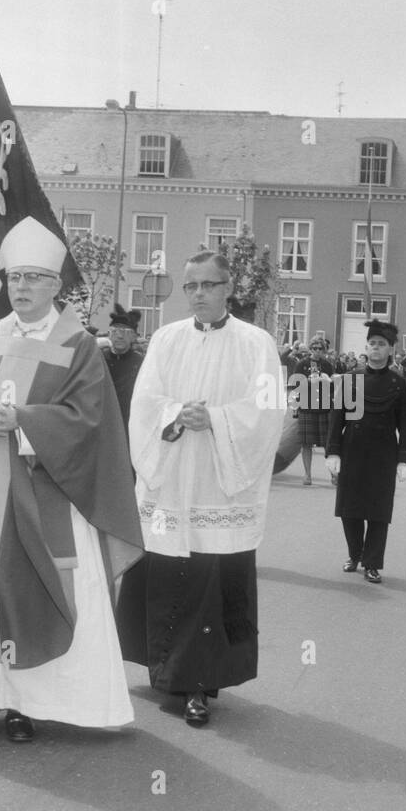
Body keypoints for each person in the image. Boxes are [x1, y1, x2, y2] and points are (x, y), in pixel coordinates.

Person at [0, 218, 143, 742]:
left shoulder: (80, 345)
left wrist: (23, 421)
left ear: (55, 287)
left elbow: (89, 421)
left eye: (34, 279)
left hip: (47, 492)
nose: (21, 288)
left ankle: (27, 704)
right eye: (15, 277)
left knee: (28, 591)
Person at [115, 250, 284, 728]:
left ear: (228, 288)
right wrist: (174, 415)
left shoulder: (257, 343)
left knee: (210, 581)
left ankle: (199, 684)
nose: (198, 295)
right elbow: (145, 402)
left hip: (219, 484)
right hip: (172, 480)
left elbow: (269, 410)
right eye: (190, 287)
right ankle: (165, 670)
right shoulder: (167, 339)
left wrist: (217, 419)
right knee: (167, 574)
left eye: (207, 285)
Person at [325, 319, 406, 583]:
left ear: (390, 350)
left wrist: (404, 461)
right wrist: (333, 452)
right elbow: (337, 419)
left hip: (384, 455)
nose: (376, 348)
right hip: (352, 451)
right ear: (366, 347)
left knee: (378, 511)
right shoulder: (352, 380)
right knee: (349, 508)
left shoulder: (400, 385)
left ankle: (372, 562)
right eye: (372, 343)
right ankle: (355, 554)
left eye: (382, 344)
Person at [293, 335, 335, 485]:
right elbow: (295, 386)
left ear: (324, 350)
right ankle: (307, 475)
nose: (317, 351)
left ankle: (333, 474)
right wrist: (308, 381)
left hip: (324, 407)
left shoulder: (328, 365)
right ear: (310, 349)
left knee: (328, 443)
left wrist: (327, 380)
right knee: (306, 444)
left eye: (320, 348)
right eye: (314, 348)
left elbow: (333, 387)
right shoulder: (302, 364)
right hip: (307, 406)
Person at [101, 303, 145, 436]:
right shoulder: (98, 360)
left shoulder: (142, 364)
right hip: (102, 426)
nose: (120, 336)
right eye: (115, 331)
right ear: (109, 334)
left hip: (130, 427)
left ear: (134, 337)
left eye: (126, 332)